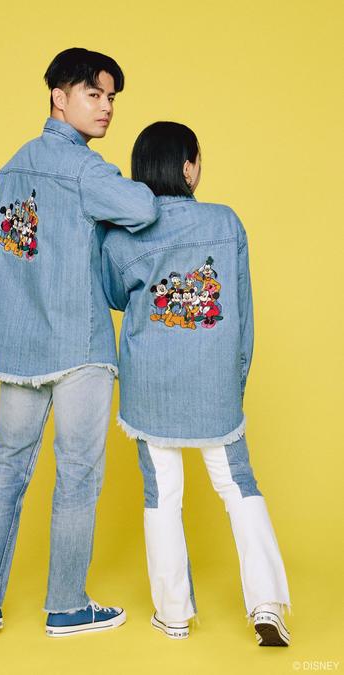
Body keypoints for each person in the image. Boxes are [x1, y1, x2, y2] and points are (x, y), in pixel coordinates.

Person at [0, 48, 159, 638]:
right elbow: (143, 207)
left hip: (19, 348)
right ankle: (66, 605)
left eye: (111, 97)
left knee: (6, 470)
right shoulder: (86, 171)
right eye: (94, 94)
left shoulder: (11, 169)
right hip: (80, 344)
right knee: (78, 475)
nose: (106, 107)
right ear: (59, 98)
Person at [101, 121, 291, 645]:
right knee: (238, 485)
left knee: (162, 494)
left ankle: (174, 616)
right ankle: (268, 604)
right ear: (187, 168)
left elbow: (114, 295)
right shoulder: (226, 223)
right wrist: (235, 380)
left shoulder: (122, 237)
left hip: (149, 385)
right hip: (214, 382)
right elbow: (242, 314)